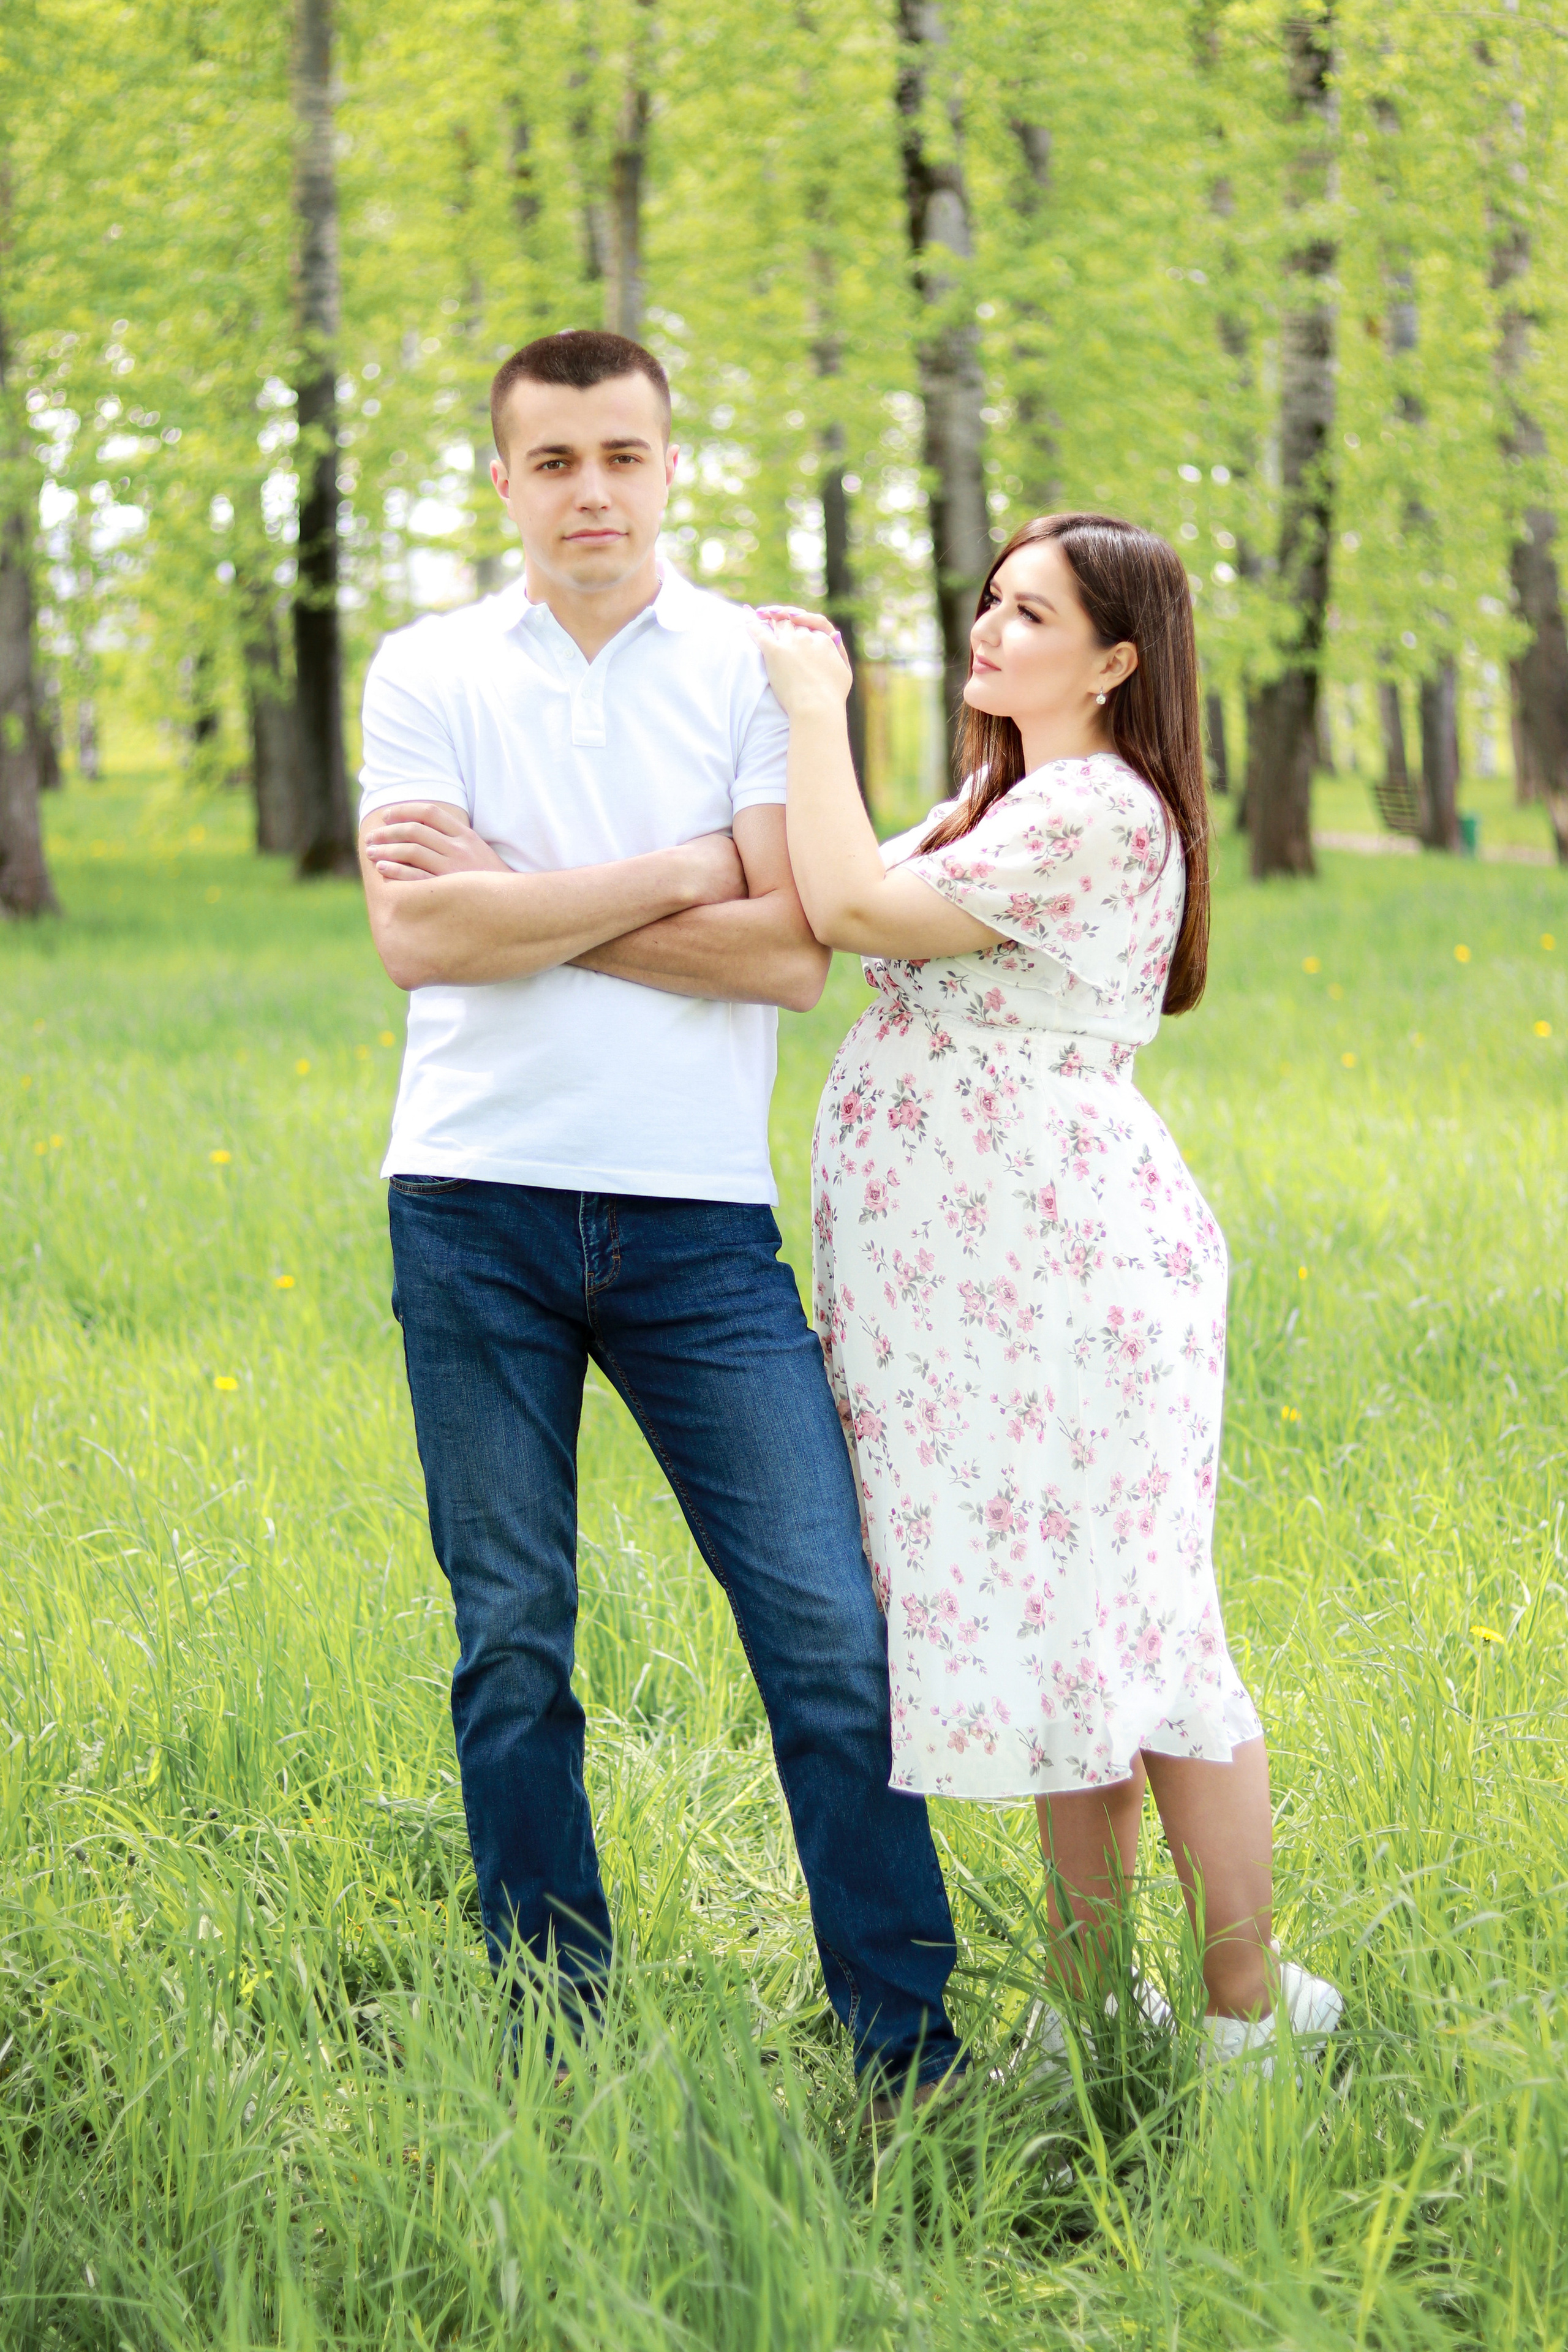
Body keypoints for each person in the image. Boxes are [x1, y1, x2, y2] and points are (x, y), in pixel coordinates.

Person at [355, 327, 963, 2112]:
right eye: (554, 462)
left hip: (700, 1230)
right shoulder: (428, 664)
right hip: (470, 1206)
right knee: (513, 1638)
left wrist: (527, 898)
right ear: (504, 481)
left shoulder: (750, 671)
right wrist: (694, 868)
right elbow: (417, 938)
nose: (591, 492)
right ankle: (554, 2029)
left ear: (671, 466)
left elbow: (793, 953)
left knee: (831, 1634)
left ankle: (906, 2054)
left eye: (622, 455)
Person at [750, 513, 1341, 2073]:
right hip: (977, 1296)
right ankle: (1094, 2014)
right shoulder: (1001, 793)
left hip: (1065, 1279)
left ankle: (1242, 2020)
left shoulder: (1092, 806)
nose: (989, 630)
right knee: (1062, 1644)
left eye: (1030, 612)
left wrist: (815, 712)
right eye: (989, 603)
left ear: (1116, 658)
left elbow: (849, 913)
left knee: (1144, 1639)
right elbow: (829, 890)